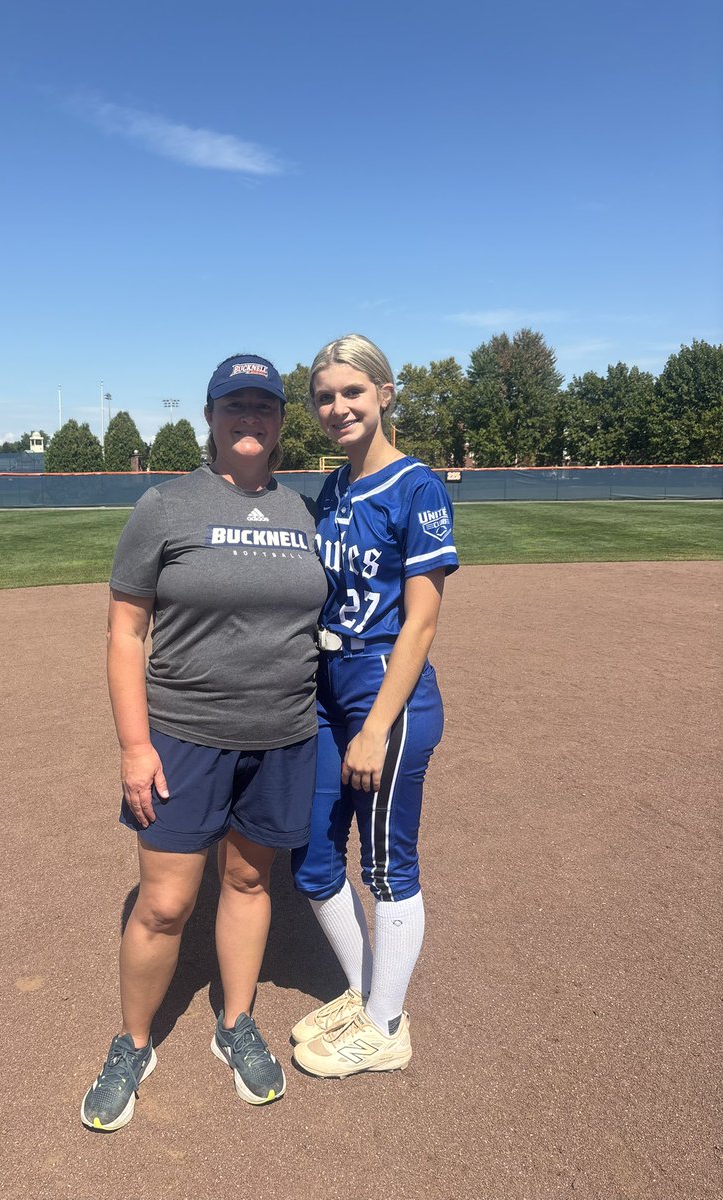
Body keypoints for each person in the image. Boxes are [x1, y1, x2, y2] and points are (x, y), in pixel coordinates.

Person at [81, 354, 327, 1131]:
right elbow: (126, 631)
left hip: (283, 736)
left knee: (251, 887)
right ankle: (132, 1043)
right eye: (235, 406)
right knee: (165, 902)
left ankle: (235, 1023)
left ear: (281, 420)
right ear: (211, 418)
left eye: (264, 407)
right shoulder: (166, 506)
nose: (249, 419)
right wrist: (133, 744)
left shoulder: (304, 510)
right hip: (184, 736)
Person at [290, 334, 459, 1078]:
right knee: (313, 853)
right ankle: (367, 995)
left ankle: (385, 1028)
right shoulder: (333, 490)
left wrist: (377, 727)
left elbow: (421, 621)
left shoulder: (418, 488)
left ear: (385, 395)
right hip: (329, 689)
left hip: (385, 691)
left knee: (388, 865)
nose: (337, 407)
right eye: (325, 396)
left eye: (352, 392)